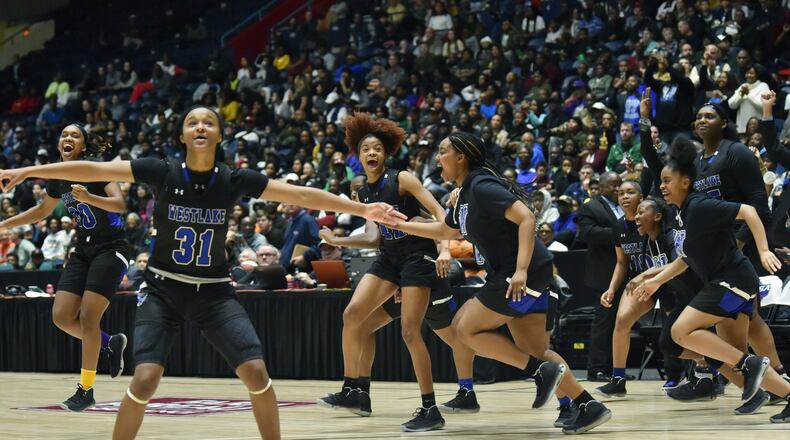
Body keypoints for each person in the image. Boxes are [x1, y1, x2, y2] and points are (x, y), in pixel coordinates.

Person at [0, 105, 404, 440]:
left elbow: (298, 193)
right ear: (181, 136)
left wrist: (361, 210)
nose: (200, 126)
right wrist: (31, 172)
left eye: (208, 122)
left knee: (258, 374)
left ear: (218, 135)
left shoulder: (231, 179)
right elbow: (92, 169)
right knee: (143, 381)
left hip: (214, 294)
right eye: (191, 121)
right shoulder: (162, 171)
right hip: (162, 291)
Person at [391, 132, 612, 434]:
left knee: (464, 328)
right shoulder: (465, 194)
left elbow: (526, 218)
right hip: (517, 273)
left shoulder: (481, 185)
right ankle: (588, 405)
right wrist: (399, 224)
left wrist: (520, 270)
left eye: (443, 151)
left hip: (521, 273)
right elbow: (446, 230)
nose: (437, 157)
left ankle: (537, 373)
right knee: (534, 348)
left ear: (461, 157)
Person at [634, 135, 790, 423]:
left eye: (668, 181)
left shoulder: (700, 205)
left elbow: (749, 211)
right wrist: (656, 281)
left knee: (679, 331)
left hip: (734, 281)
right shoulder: (680, 214)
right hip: (725, 283)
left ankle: (749, 364)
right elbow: (687, 258)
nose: (662, 186)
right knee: (730, 353)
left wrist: (764, 249)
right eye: (661, 181)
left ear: (685, 181)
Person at [317, 113, 451, 432]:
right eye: (366, 150)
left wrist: (445, 249)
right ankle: (354, 390)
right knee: (353, 316)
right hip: (389, 259)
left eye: (377, 148)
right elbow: (373, 236)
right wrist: (338, 239)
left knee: (409, 332)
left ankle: (430, 408)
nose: (372, 153)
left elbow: (440, 211)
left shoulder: (402, 178)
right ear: (358, 156)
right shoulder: (364, 192)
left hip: (417, 256)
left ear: (385, 153)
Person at [0, 124, 129, 411]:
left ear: (83, 146)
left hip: (112, 248)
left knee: (87, 318)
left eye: (75, 135)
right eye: (64, 135)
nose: (67, 139)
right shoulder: (57, 177)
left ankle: (85, 390)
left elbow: (120, 204)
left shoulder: (97, 168)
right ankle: (110, 342)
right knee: (60, 316)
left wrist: (90, 198)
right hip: (83, 250)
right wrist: (4, 225)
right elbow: (41, 211)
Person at [595, 183, 682, 397]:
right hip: (641, 283)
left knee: (674, 333)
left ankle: (683, 374)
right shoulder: (619, 227)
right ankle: (618, 379)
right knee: (622, 319)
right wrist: (612, 288)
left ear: (642, 198)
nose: (624, 196)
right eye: (620, 192)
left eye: (630, 192)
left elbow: (679, 260)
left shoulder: (659, 221)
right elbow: (622, 262)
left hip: (669, 281)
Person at [576, 171, 623, 381]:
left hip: (626, 271)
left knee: (621, 323)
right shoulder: (590, 206)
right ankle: (596, 369)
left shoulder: (623, 205)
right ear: (601, 186)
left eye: (618, 184)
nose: (617, 188)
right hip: (604, 273)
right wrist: (622, 235)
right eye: (612, 185)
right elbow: (589, 234)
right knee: (604, 322)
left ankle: (616, 370)